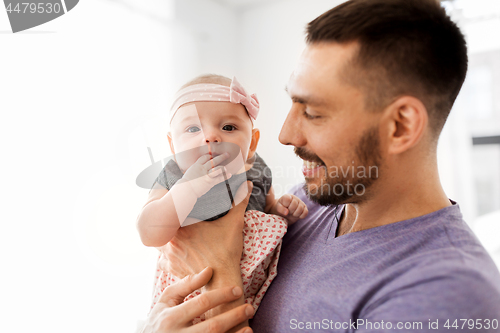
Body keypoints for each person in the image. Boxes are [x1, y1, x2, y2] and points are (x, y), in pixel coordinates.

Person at [142, 0, 500, 332]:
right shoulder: (308, 203)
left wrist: (217, 265)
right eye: (292, 104)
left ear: (400, 126)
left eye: (312, 112)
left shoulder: (450, 295)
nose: (285, 134)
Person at [136, 74, 308, 325]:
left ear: (252, 143)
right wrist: (189, 188)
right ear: (173, 146)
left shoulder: (256, 168)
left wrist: (283, 211)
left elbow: (270, 209)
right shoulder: (174, 174)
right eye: (193, 129)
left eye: (228, 127)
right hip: (187, 294)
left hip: (255, 295)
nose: (211, 137)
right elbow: (148, 233)